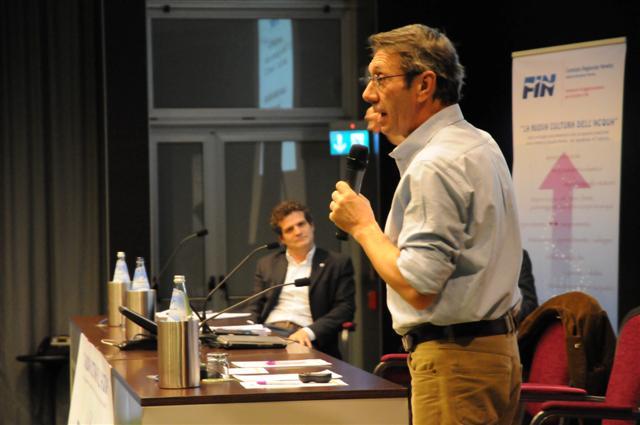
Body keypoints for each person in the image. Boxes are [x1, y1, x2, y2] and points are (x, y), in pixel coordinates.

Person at [329, 24, 523, 424]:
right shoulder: (477, 142)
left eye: (380, 78)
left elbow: (418, 287)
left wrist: (363, 226)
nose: (368, 94)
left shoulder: (436, 164)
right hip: (492, 354)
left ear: (424, 85)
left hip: (456, 363)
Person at [247, 200, 355, 359]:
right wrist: (247, 330)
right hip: (269, 332)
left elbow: (345, 308)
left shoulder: (337, 263)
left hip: (306, 335)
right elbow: (255, 305)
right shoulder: (267, 264)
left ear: (312, 226)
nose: (298, 232)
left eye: (301, 224)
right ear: (282, 239)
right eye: (289, 229)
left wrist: (309, 332)